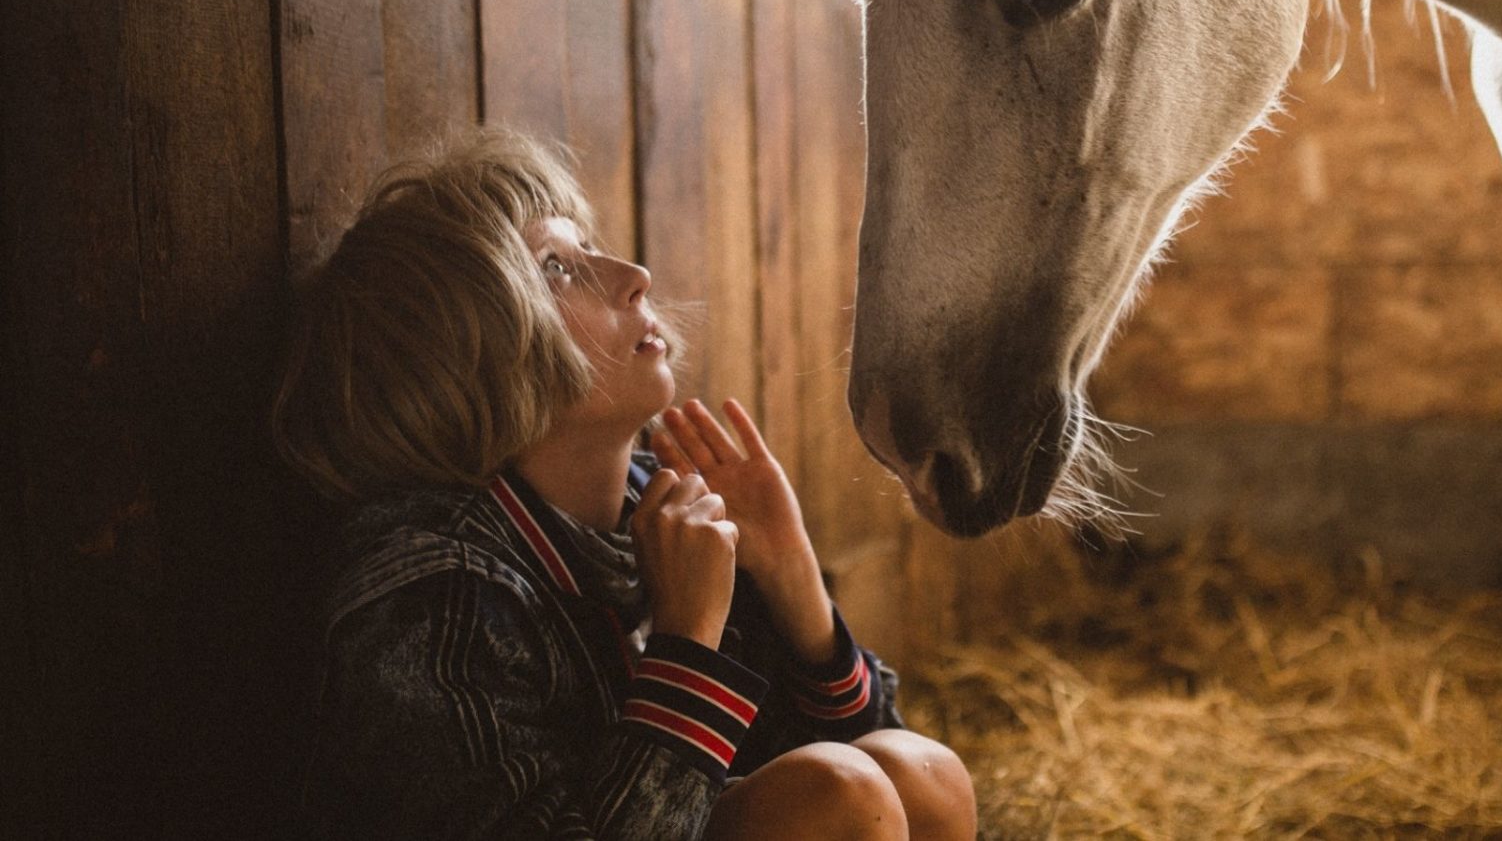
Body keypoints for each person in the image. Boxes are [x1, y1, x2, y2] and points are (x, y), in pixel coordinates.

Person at [272, 129, 975, 840]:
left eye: (588, 250)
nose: (633, 273)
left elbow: (892, 800)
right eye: (556, 267)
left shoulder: (663, 506)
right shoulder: (429, 598)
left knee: (922, 771)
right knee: (832, 794)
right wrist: (687, 641)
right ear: (464, 352)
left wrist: (793, 575)